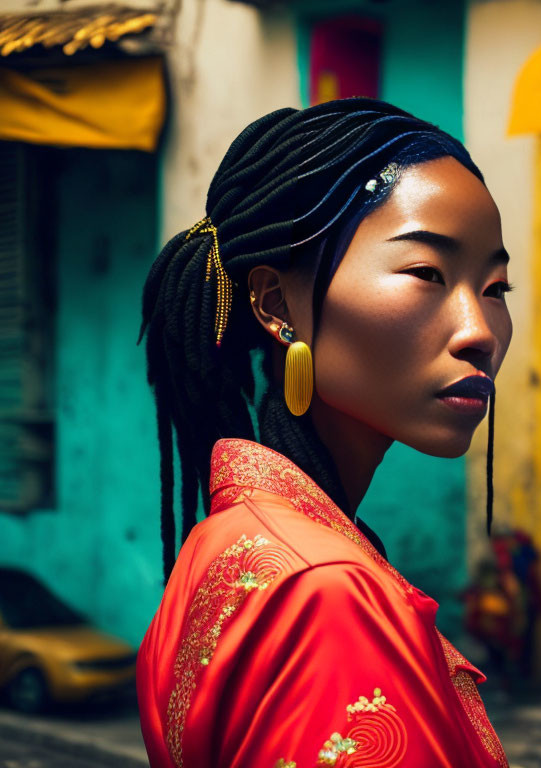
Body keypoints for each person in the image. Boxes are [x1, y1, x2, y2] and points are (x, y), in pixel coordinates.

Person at [135, 97, 513, 768]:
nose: (481, 331)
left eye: (495, 287)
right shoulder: (325, 593)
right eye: (428, 273)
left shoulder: (227, 536)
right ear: (278, 305)